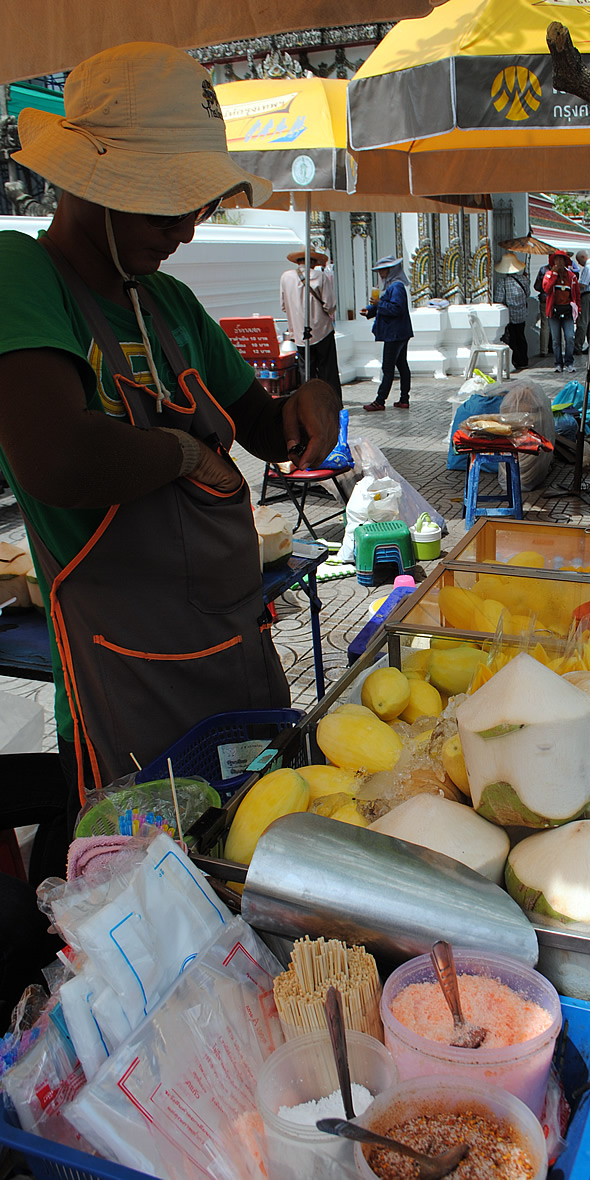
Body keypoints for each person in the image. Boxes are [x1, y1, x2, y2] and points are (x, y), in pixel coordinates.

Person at [0, 42, 339, 817]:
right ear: (93, 185)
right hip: (123, 683)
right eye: (167, 207)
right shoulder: (21, 277)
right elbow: (61, 459)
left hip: (232, 662)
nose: (185, 230)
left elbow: (263, 429)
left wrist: (311, 398)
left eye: (200, 208)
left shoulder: (169, 307)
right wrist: (185, 451)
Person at [280, 246, 343, 404]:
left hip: (299, 332)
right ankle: (333, 402)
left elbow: (283, 305)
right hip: (322, 329)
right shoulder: (320, 276)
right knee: (327, 371)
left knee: (306, 371)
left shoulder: (285, 277)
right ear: (313, 261)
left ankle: (310, 403)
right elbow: (330, 305)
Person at [360, 255, 413, 411]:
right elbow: (386, 305)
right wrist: (370, 310)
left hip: (394, 333)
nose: (381, 274)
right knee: (402, 365)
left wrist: (378, 304)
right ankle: (404, 399)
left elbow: (396, 309)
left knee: (388, 368)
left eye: (384, 270)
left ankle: (380, 400)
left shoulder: (396, 287)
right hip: (399, 332)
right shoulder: (391, 286)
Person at [542, 250, 580, 374]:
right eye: (556, 260)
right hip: (554, 312)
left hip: (567, 311)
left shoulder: (571, 277)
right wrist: (554, 275)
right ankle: (558, 363)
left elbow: (577, 295)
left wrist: (578, 310)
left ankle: (569, 362)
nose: (559, 262)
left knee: (569, 337)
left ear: (565, 261)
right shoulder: (548, 275)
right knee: (556, 340)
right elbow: (546, 289)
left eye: (561, 260)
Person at [493, 252, 530, 371]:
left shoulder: (502, 283)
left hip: (510, 315)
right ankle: (524, 360)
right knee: (521, 336)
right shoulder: (524, 280)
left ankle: (516, 361)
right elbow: (528, 294)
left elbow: (498, 300)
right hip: (522, 313)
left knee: (512, 339)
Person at [574, 251, 590, 355]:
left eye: (578, 260)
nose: (579, 263)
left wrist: (574, 286)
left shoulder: (588, 267)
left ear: (582, 257)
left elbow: (583, 284)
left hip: (587, 296)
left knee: (583, 322)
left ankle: (578, 346)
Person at [533, 261, 551, 357]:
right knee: (559, 324)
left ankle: (544, 350)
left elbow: (536, 286)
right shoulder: (563, 270)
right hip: (559, 301)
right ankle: (560, 349)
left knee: (545, 324)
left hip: (545, 299)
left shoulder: (543, 269)